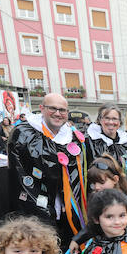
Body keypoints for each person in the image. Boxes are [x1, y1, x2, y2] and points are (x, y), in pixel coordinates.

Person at [8, 94, 89, 240]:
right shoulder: (24, 133)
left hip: (66, 209)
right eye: (53, 108)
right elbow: (20, 173)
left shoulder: (72, 136)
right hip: (37, 207)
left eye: (62, 110)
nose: (58, 113)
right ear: (42, 109)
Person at [87, 106, 127, 170]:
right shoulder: (90, 143)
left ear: (119, 122)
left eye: (114, 119)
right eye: (107, 118)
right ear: (100, 120)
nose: (111, 122)